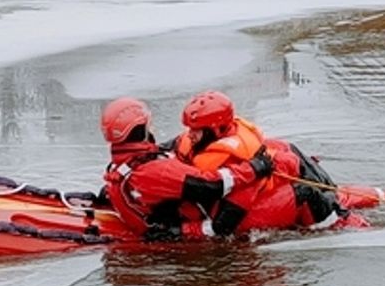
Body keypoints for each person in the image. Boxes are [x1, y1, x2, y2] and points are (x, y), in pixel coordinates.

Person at [99, 97, 276, 241]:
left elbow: (166, 149)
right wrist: (255, 168)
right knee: (292, 189)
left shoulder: (124, 161)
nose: (151, 128)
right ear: (139, 130)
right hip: (185, 227)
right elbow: (212, 185)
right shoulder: (155, 171)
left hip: (162, 216)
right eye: (148, 125)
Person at [172, 91, 351, 231]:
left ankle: (339, 221)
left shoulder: (237, 158)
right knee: (284, 150)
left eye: (196, 130)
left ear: (217, 129)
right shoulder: (202, 139)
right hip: (259, 191)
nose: (190, 134)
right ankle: (335, 197)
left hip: (245, 207)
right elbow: (173, 146)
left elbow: (229, 217)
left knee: (308, 192)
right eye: (189, 128)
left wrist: (192, 231)